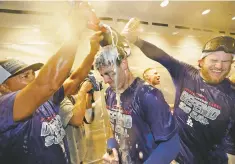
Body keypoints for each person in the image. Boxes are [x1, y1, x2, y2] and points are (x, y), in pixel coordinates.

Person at [122, 18, 235, 164]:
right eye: (214, 60)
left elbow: (231, 147)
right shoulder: (186, 74)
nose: (219, 66)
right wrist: (136, 40)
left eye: (226, 61)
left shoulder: (231, 96)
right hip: (177, 159)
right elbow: (161, 56)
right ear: (200, 62)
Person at [0, 6, 104, 163]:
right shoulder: (5, 108)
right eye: (25, 75)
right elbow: (47, 83)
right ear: (4, 87)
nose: (32, 78)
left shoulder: (44, 100)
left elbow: (74, 79)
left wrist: (92, 52)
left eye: (33, 73)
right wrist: (75, 32)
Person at [94, 44, 180, 164]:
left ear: (123, 64)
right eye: (102, 75)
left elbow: (172, 144)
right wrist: (111, 148)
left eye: (109, 73)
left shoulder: (148, 95)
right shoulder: (110, 93)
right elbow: (113, 127)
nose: (106, 80)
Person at [59, 72, 102, 164]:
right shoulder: (60, 100)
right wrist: (83, 90)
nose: (78, 86)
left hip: (78, 155)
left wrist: (89, 94)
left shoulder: (70, 97)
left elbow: (87, 110)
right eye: (76, 83)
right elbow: (77, 119)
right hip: (69, 158)